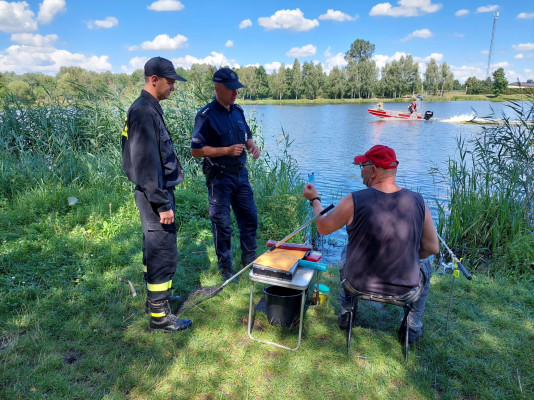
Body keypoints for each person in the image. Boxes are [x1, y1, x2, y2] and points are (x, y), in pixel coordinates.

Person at [303, 144, 439, 344]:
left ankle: (347, 313)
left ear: (374, 170)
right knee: (426, 265)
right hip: (406, 292)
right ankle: (412, 326)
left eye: (362, 167)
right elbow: (432, 248)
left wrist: (315, 200)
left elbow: (323, 227)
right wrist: (407, 255)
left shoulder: (354, 199)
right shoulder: (419, 201)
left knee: (345, 252)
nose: (361, 172)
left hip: (357, 285)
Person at [121, 56, 192, 332]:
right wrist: (162, 203)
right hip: (155, 196)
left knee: (154, 247)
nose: (173, 87)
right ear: (154, 80)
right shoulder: (143, 112)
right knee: (162, 249)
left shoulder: (148, 109)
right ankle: (160, 316)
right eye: (170, 81)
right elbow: (146, 164)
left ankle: (157, 301)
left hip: (154, 193)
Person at [191, 68, 261, 280]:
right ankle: (226, 268)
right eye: (231, 89)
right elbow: (195, 151)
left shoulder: (238, 112)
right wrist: (226, 151)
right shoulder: (206, 116)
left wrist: (252, 146)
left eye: (236, 89)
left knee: (250, 218)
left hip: (241, 175)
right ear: (217, 89)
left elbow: (246, 135)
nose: (235, 93)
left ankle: (249, 260)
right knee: (222, 224)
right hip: (219, 177)